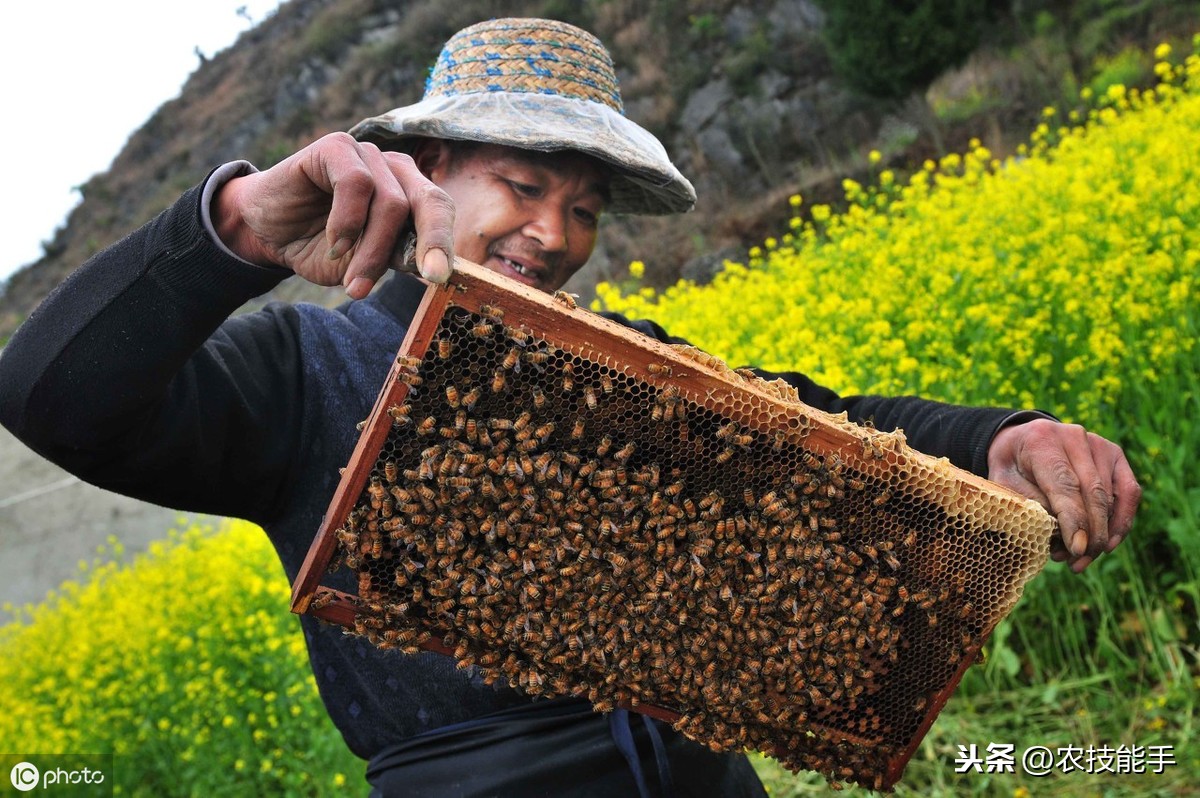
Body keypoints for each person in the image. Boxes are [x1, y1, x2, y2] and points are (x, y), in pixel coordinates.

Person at [0, 17, 1138, 798]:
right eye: (524, 185)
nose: (554, 234)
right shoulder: (301, 371)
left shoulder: (624, 365)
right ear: (430, 164)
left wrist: (999, 438)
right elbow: (50, 396)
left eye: (585, 207)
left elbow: (832, 433)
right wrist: (233, 231)